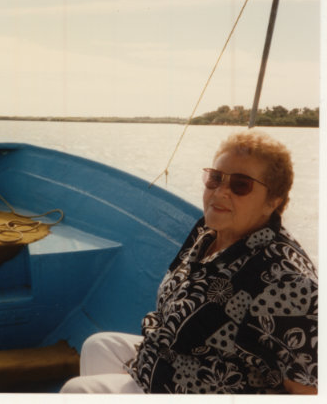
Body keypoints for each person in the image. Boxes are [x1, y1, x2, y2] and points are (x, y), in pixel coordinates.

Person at [61, 130, 317, 394]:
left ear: (272, 202)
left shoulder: (288, 281)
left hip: (205, 387)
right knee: (97, 347)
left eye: (240, 185)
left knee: (77, 391)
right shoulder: (209, 235)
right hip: (172, 359)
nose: (221, 191)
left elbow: (307, 389)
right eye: (215, 178)